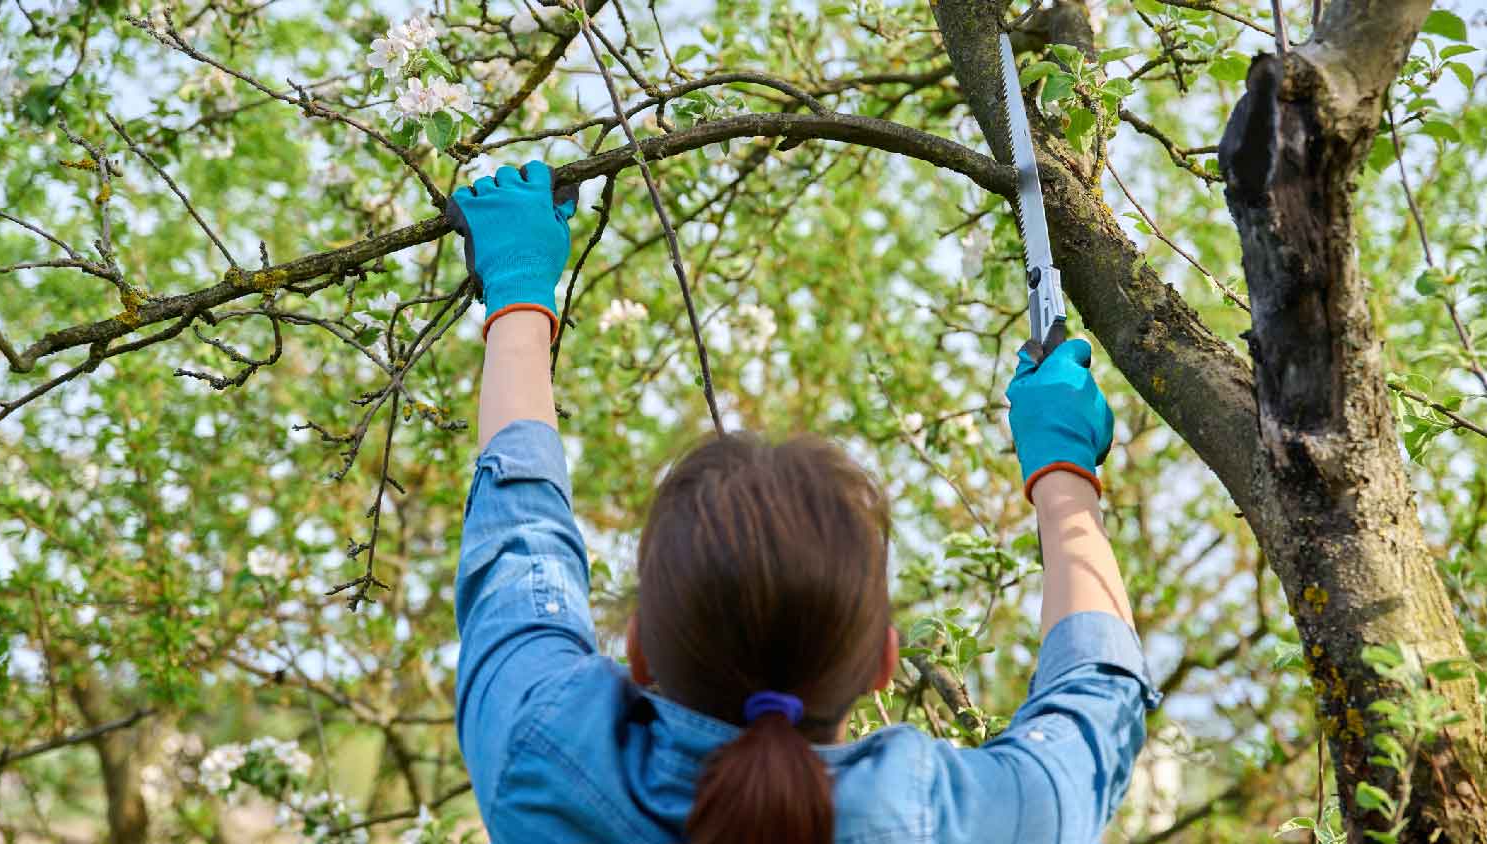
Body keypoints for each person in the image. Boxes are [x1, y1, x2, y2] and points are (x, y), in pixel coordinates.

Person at [448, 160, 1160, 844]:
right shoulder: (945, 821)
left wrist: (519, 287)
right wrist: (1063, 472)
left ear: (637, 649)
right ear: (883, 662)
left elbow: (520, 540)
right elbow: (1094, 704)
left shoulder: (543, 758)